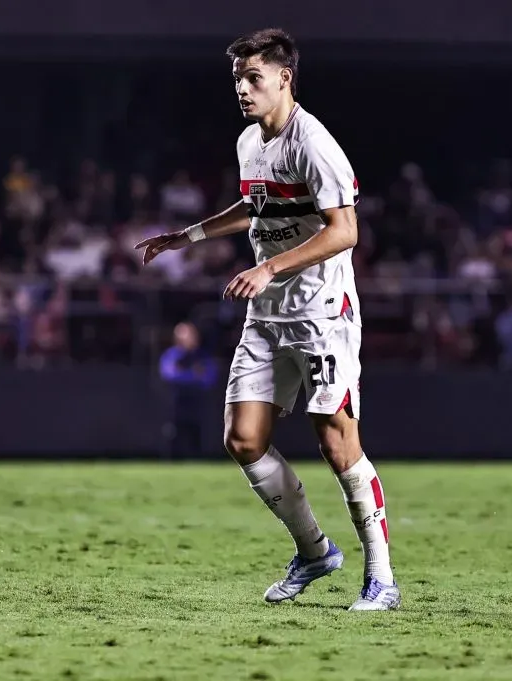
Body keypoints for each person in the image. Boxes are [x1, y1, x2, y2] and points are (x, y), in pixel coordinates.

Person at [136, 27, 399, 611]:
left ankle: (381, 578)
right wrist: (188, 236)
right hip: (269, 313)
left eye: (253, 78)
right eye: (237, 79)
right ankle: (315, 552)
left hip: (322, 313)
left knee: (337, 444)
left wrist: (270, 266)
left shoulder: (316, 144)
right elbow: (258, 204)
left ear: (285, 78)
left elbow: (345, 231)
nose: (242, 89)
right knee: (243, 438)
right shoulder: (248, 141)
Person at [159, 321, 218, 458]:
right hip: (175, 406)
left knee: (197, 441)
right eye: (184, 336)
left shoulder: (203, 357)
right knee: (174, 439)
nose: (189, 339)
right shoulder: (171, 355)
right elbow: (169, 375)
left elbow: (208, 379)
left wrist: (186, 375)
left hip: (198, 407)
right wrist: (193, 375)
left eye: (191, 335)